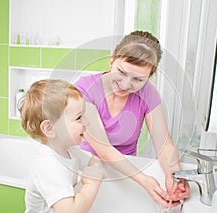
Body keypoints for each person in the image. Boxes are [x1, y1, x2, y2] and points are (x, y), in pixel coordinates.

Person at [74, 30, 190, 208]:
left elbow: (164, 145)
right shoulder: (85, 88)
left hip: (126, 174)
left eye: (138, 79)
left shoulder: (148, 94)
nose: (126, 84)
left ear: (149, 77)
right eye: (121, 72)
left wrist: (174, 176)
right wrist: (144, 180)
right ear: (112, 59)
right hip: (87, 170)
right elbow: (102, 146)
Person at [19, 79, 106, 213]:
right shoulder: (48, 165)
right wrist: (91, 184)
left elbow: (93, 161)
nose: (86, 122)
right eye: (78, 118)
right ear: (49, 128)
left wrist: (96, 168)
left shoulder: (68, 149)